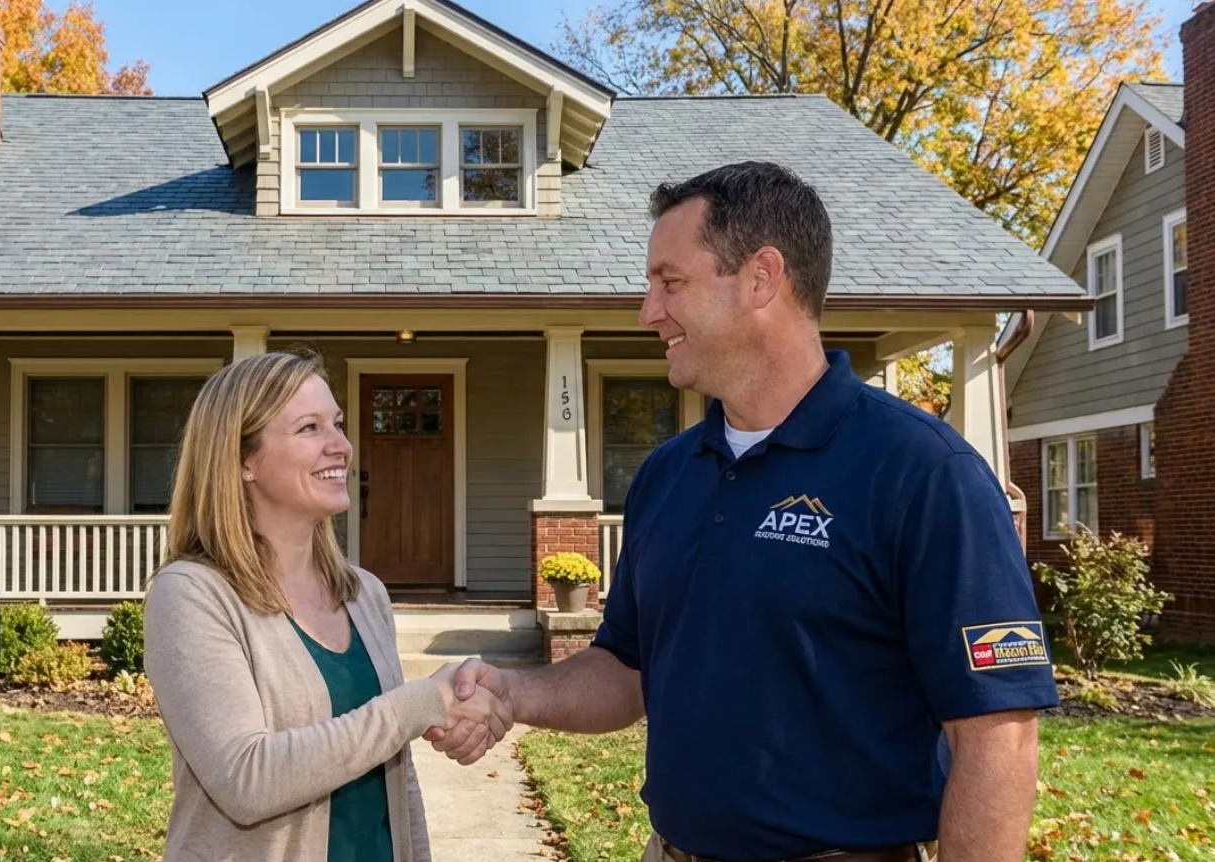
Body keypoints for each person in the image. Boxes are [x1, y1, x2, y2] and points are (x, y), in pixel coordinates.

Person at [426, 161, 1059, 862]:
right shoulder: (667, 476)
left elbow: (998, 731)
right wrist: (514, 694)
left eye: (671, 283)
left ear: (761, 278)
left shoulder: (922, 472)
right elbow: (626, 670)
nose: (647, 312)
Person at [143, 350, 508, 862]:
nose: (341, 446)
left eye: (337, 423)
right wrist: (420, 704)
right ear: (243, 459)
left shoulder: (364, 595)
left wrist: (444, 713)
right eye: (309, 428)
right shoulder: (192, 595)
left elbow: (394, 782)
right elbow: (247, 781)